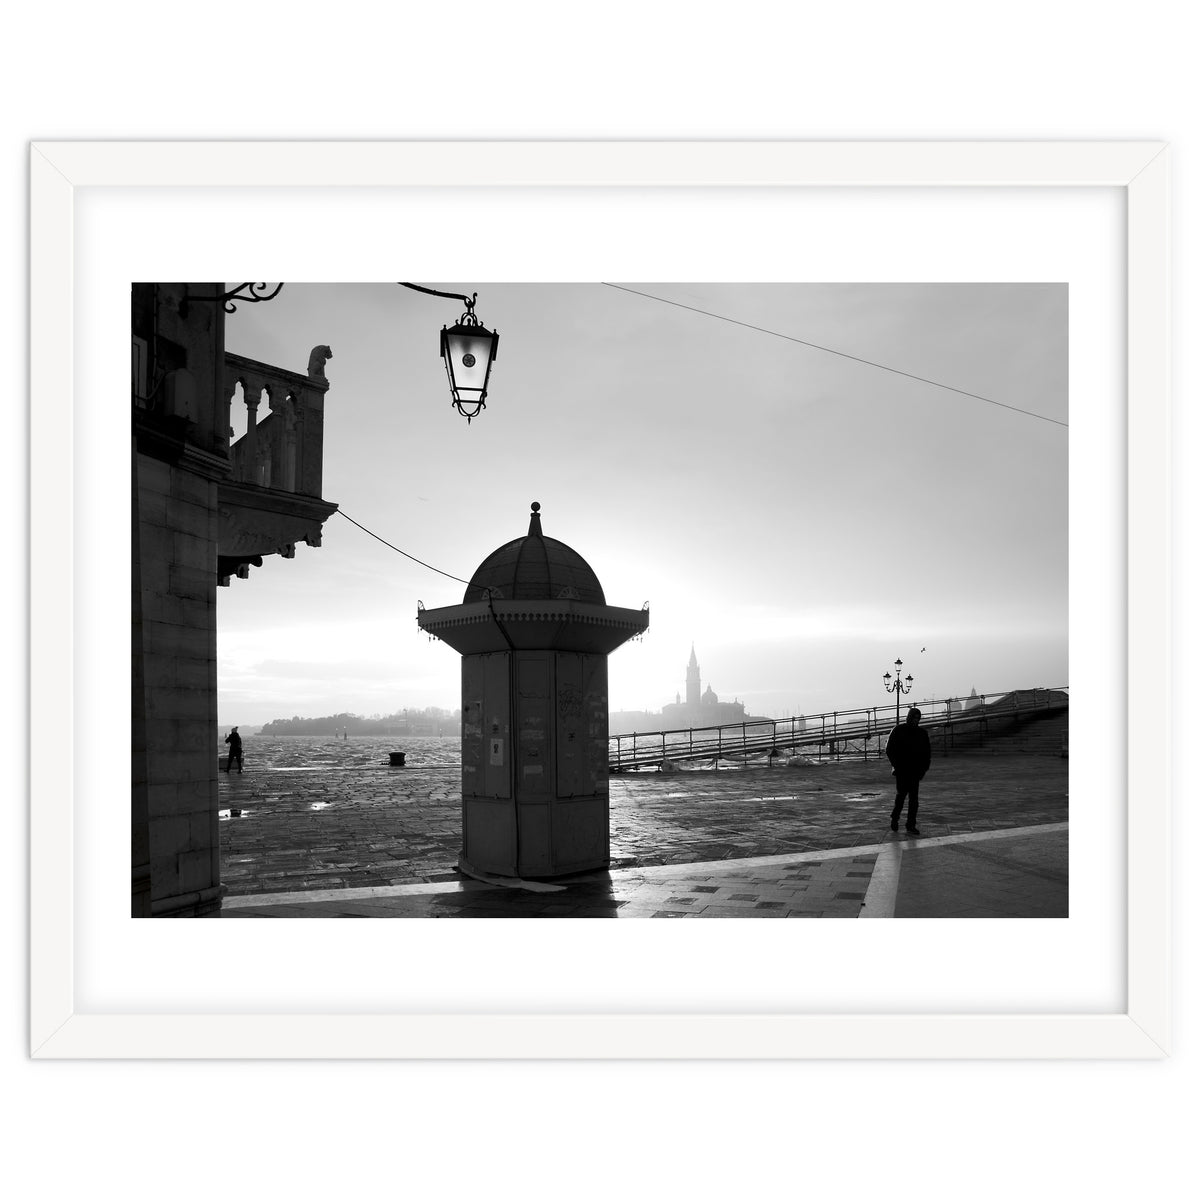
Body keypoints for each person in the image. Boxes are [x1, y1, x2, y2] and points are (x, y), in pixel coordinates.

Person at [885, 706, 930, 835]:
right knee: (901, 796)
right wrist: (897, 766)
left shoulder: (922, 733)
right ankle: (895, 818)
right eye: (914, 718)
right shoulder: (898, 730)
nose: (916, 720)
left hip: (916, 771)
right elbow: (889, 750)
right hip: (902, 770)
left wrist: (924, 769)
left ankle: (911, 824)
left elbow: (927, 753)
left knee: (914, 800)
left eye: (918, 718)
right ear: (909, 717)